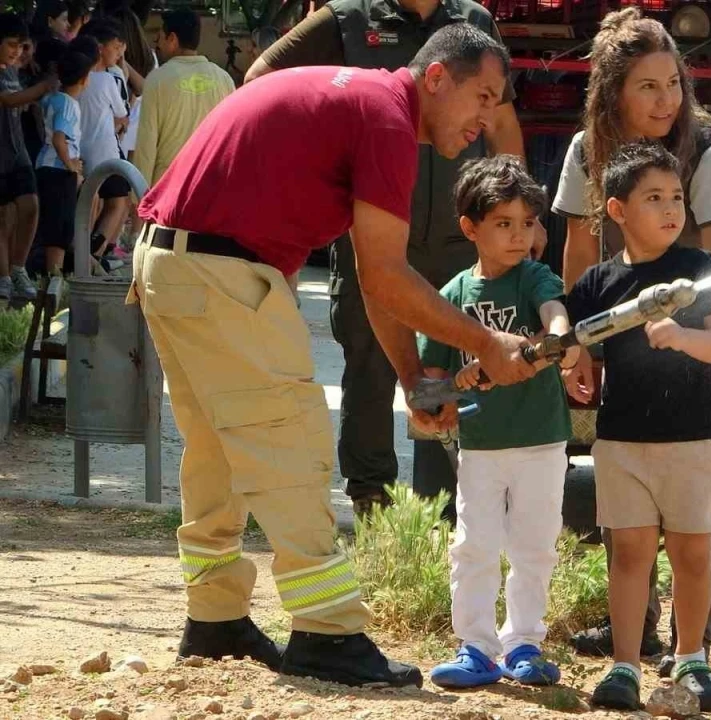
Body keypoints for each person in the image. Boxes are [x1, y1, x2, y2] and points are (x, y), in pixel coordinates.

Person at [128, 23, 536, 688]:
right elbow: (386, 276)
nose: (487, 121)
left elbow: (377, 276)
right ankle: (328, 632)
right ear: (437, 78)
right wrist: (487, 342)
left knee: (219, 451)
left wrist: (412, 375)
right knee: (292, 444)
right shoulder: (386, 120)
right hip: (217, 271)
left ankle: (215, 617)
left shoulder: (361, 103)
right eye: (483, 98)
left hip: (170, 263)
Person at [244, 0, 534, 519]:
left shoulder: (473, 23)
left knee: (452, 368)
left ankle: (446, 506)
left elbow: (503, 123)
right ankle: (372, 501)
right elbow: (261, 81)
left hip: (456, 238)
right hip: (370, 236)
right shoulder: (345, 17)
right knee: (368, 366)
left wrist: (517, 209)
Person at [552, 7, 711, 676]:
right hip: (626, 329)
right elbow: (579, 251)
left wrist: (690, 338)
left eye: (673, 83)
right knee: (630, 484)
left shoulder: (708, 152)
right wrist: (582, 346)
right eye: (647, 86)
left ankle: (692, 645)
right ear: (613, 92)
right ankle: (635, 633)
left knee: (704, 493)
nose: (666, 99)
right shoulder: (586, 151)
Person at [562, 141, 711, 711]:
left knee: (692, 556)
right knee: (629, 556)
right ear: (617, 210)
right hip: (622, 443)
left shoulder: (698, 269)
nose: (671, 209)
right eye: (655, 198)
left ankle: (691, 658)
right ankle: (624, 667)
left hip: (692, 441)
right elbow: (570, 337)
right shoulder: (598, 282)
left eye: (677, 197)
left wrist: (684, 336)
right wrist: (571, 360)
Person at [420, 155, 577, 690]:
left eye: (527, 223)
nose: (518, 236)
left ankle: (524, 643)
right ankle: (476, 647)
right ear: (471, 228)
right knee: (475, 544)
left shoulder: (534, 277)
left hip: (541, 442)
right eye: (503, 224)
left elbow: (554, 313)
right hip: (481, 446)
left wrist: (556, 338)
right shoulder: (452, 296)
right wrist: (455, 383)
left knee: (535, 544)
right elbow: (431, 381)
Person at [133, 9, 234, 187]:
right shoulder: (224, 79)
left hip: (168, 189)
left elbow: (146, 148)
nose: (157, 45)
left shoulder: (157, 80)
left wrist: (139, 195)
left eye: (159, 38)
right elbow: (232, 140)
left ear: (172, 39)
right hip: (211, 184)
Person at [0, 14, 52, 304]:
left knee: (30, 206)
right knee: (3, 219)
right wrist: (42, 88)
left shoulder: (12, 70)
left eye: (21, 46)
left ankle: (17, 268)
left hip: (17, 153)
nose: (16, 51)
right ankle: (4, 279)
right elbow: (9, 100)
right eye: (11, 45)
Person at [76, 19, 130, 272]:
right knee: (118, 201)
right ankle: (92, 254)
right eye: (115, 47)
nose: (118, 53)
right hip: (106, 152)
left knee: (89, 204)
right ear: (100, 48)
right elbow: (122, 113)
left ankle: (82, 254)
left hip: (77, 153)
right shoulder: (108, 80)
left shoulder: (76, 78)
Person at [34, 49, 90, 277]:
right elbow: (59, 138)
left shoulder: (52, 98)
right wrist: (71, 166)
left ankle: (51, 276)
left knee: (52, 222)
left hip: (44, 165)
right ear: (84, 79)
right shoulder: (69, 104)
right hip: (58, 170)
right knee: (60, 226)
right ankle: (54, 277)